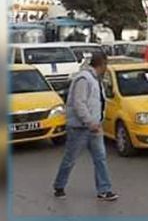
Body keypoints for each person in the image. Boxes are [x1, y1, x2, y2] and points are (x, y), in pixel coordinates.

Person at [52, 53, 118, 201]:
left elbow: (97, 102)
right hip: (80, 128)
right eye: (106, 65)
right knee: (70, 158)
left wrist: (97, 122)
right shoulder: (83, 79)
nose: (106, 68)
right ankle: (59, 186)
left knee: (100, 158)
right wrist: (89, 122)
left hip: (95, 127)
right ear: (101, 64)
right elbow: (79, 103)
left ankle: (104, 189)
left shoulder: (95, 80)